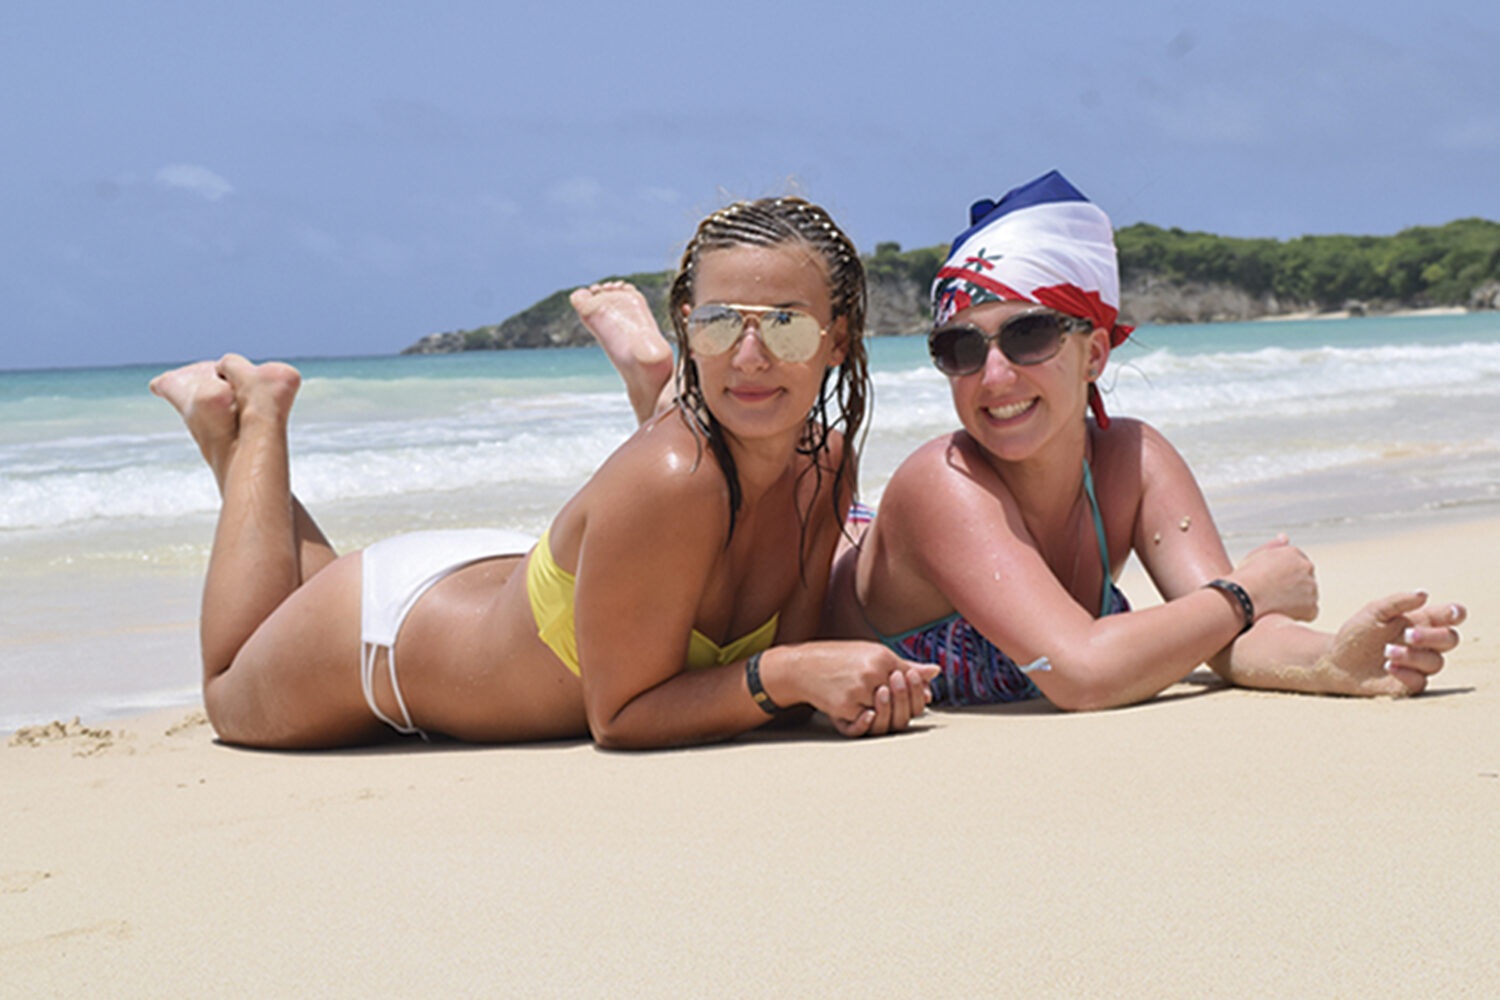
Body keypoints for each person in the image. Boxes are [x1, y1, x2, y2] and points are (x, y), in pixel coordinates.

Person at [580, 173, 1466, 712]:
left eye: (1030, 336)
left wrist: (1333, 660)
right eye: (961, 349)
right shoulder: (943, 479)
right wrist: (1246, 592)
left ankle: (662, 386)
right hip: (839, 563)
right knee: (729, 492)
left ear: (1096, 350)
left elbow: (1222, 638)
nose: (994, 376)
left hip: (875, 536)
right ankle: (663, 383)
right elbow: (1088, 669)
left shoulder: (1135, 462)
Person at [150, 196, 938, 750]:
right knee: (229, 688)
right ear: (689, 329)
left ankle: (239, 440)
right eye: (720, 325)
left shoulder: (823, 463)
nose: (752, 357)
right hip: (377, 640)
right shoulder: (671, 477)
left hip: (495, 591)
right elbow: (621, 717)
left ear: (838, 340)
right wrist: (794, 671)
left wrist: (842, 688)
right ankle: (252, 423)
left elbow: (774, 697)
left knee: (287, 610)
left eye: (787, 327)